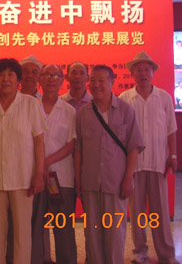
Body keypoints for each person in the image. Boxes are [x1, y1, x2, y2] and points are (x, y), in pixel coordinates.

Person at [0, 58, 45, 264]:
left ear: (18, 79)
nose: (5, 79)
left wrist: (39, 173)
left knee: (22, 230)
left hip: (23, 177)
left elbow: (39, 142)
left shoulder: (30, 104)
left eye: (10, 75)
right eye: (1, 74)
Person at [75, 65, 144, 264]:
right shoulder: (83, 113)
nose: (96, 85)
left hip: (116, 183)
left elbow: (134, 147)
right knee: (92, 235)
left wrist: (128, 178)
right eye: (93, 80)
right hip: (90, 184)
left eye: (101, 80)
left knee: (115, 235)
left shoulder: (126, 110)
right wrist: (78, 179)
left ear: (112, 82)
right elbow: (78, 149)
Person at [119, 52, 178, 264]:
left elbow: (171, 130)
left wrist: (173, 155)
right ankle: (139, 252)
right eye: (139, 70)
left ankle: (166, 254)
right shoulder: (125, 99)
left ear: (153, 72)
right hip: (133, 166)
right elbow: (120, 133)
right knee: (136, 213)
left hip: (157, 162)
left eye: (147, 69)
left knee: (160, 211)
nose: (143, 73)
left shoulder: (164, 98)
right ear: (132, 73)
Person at [30, 64, 77, 264]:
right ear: (39, 79)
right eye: (46, 75)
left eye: (55, 76)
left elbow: (71, 144)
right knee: (34, 225)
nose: (51, 79)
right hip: (34, 176)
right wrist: (39, 165)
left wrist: (46, 161)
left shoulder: (69, 110)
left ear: (62, 80)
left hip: (61, 177)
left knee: (63, 226)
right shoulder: (30, 106)